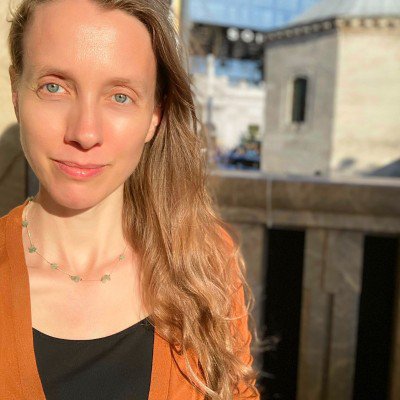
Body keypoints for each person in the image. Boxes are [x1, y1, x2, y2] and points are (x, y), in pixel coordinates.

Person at [0, 0, 261, 399]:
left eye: (120, 96)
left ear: (155, 115)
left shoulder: (203, 264)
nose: (85, 133)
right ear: (17, 92)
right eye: (54, 87)